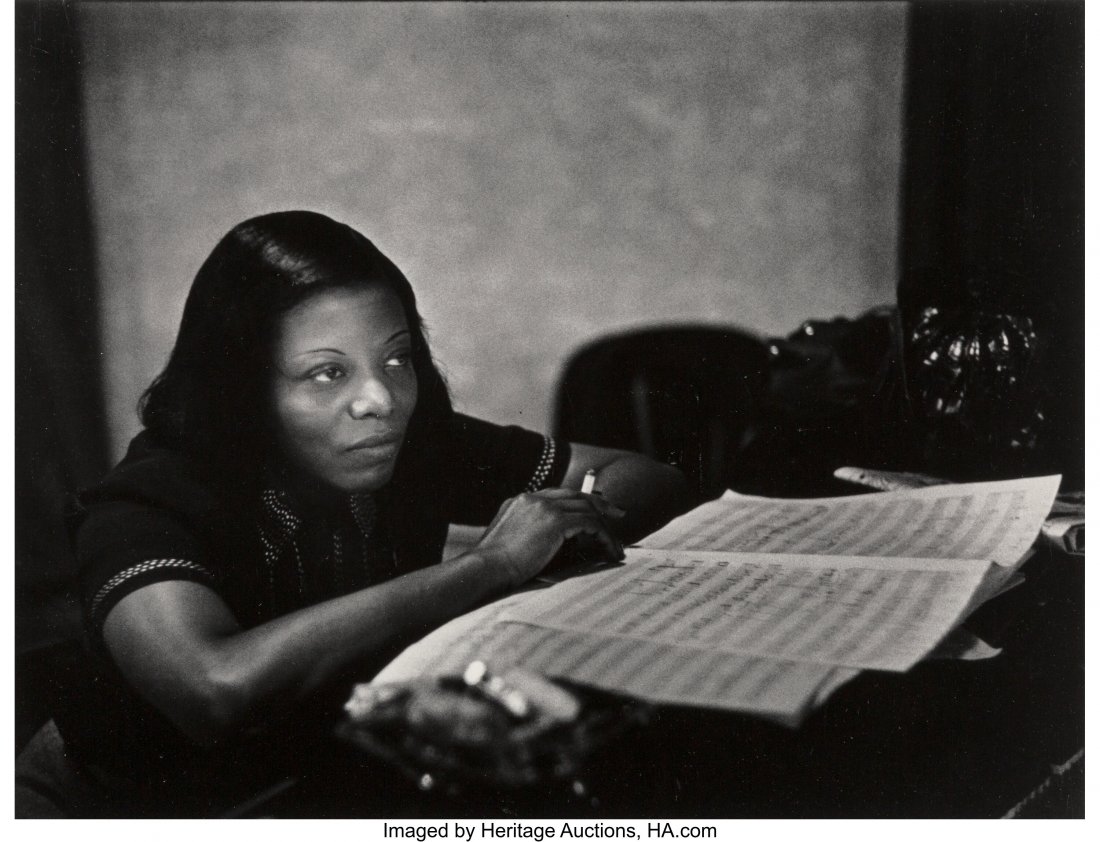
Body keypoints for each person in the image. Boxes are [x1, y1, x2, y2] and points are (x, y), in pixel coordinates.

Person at [20, 210, 692, 817]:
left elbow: (649, 478)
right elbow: (215, 689)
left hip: (306, 788)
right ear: (241, 388)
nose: (382, 399)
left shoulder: (409, 441)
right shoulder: (143, 505)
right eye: (327, 373)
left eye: (397, 358)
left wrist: (570, 519)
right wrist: (494, 563)